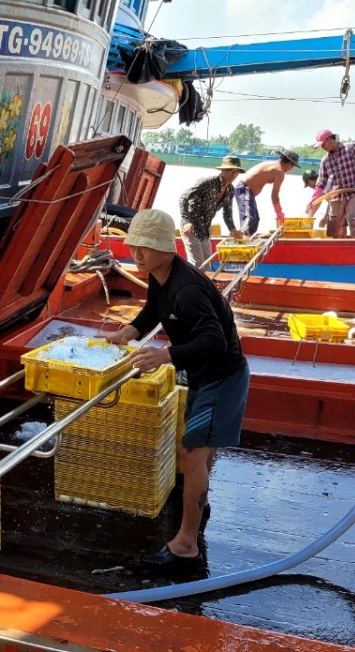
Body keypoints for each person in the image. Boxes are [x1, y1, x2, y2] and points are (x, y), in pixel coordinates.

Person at [100, 209, 250, 572]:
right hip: (202, 374)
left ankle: (185, 548)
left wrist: (165, 355)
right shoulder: (161, 275)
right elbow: (155, 308)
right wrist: (130, 331)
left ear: (167, 248)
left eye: (146, 247)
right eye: (134, 246)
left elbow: (214, 341)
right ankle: (200, 506)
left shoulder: (188, 289)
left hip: (221, 377)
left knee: (191, 452)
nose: (137, 255)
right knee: (200, 448)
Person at [178, 155, 245, 270]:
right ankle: (188, 281)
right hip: (191, 228)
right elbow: (183, 198)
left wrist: (233, 229)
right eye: (230, 170)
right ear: (223, 170)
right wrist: (187, 221)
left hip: (205, 230)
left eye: (237, 171)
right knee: (197, 263)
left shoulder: (230, 190)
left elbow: (227, 213)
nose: (234, 174)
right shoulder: (207, 182)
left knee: (207, 263)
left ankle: (197, 280)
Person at [308, 129, 355, 238]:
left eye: (323, 144)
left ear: (330, 139)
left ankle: (354, 244)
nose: (322, 147)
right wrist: (313, 199)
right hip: (336, 197)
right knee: (333, 227)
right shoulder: (325, 161)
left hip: (353, 193)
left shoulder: (351, 149)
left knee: (354, 220)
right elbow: (321, 183)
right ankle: (335, 246)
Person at [233, 149, 299, 234]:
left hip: (247, 191)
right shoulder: (279, 171)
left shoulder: (273, 164)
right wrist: (279, 212)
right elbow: (275, 195)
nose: (291, 169)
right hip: (244, 189)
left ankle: (248, 237)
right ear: (290, 164)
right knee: (249, 219)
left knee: (255, 220)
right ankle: (241, 237)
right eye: (293, 166)